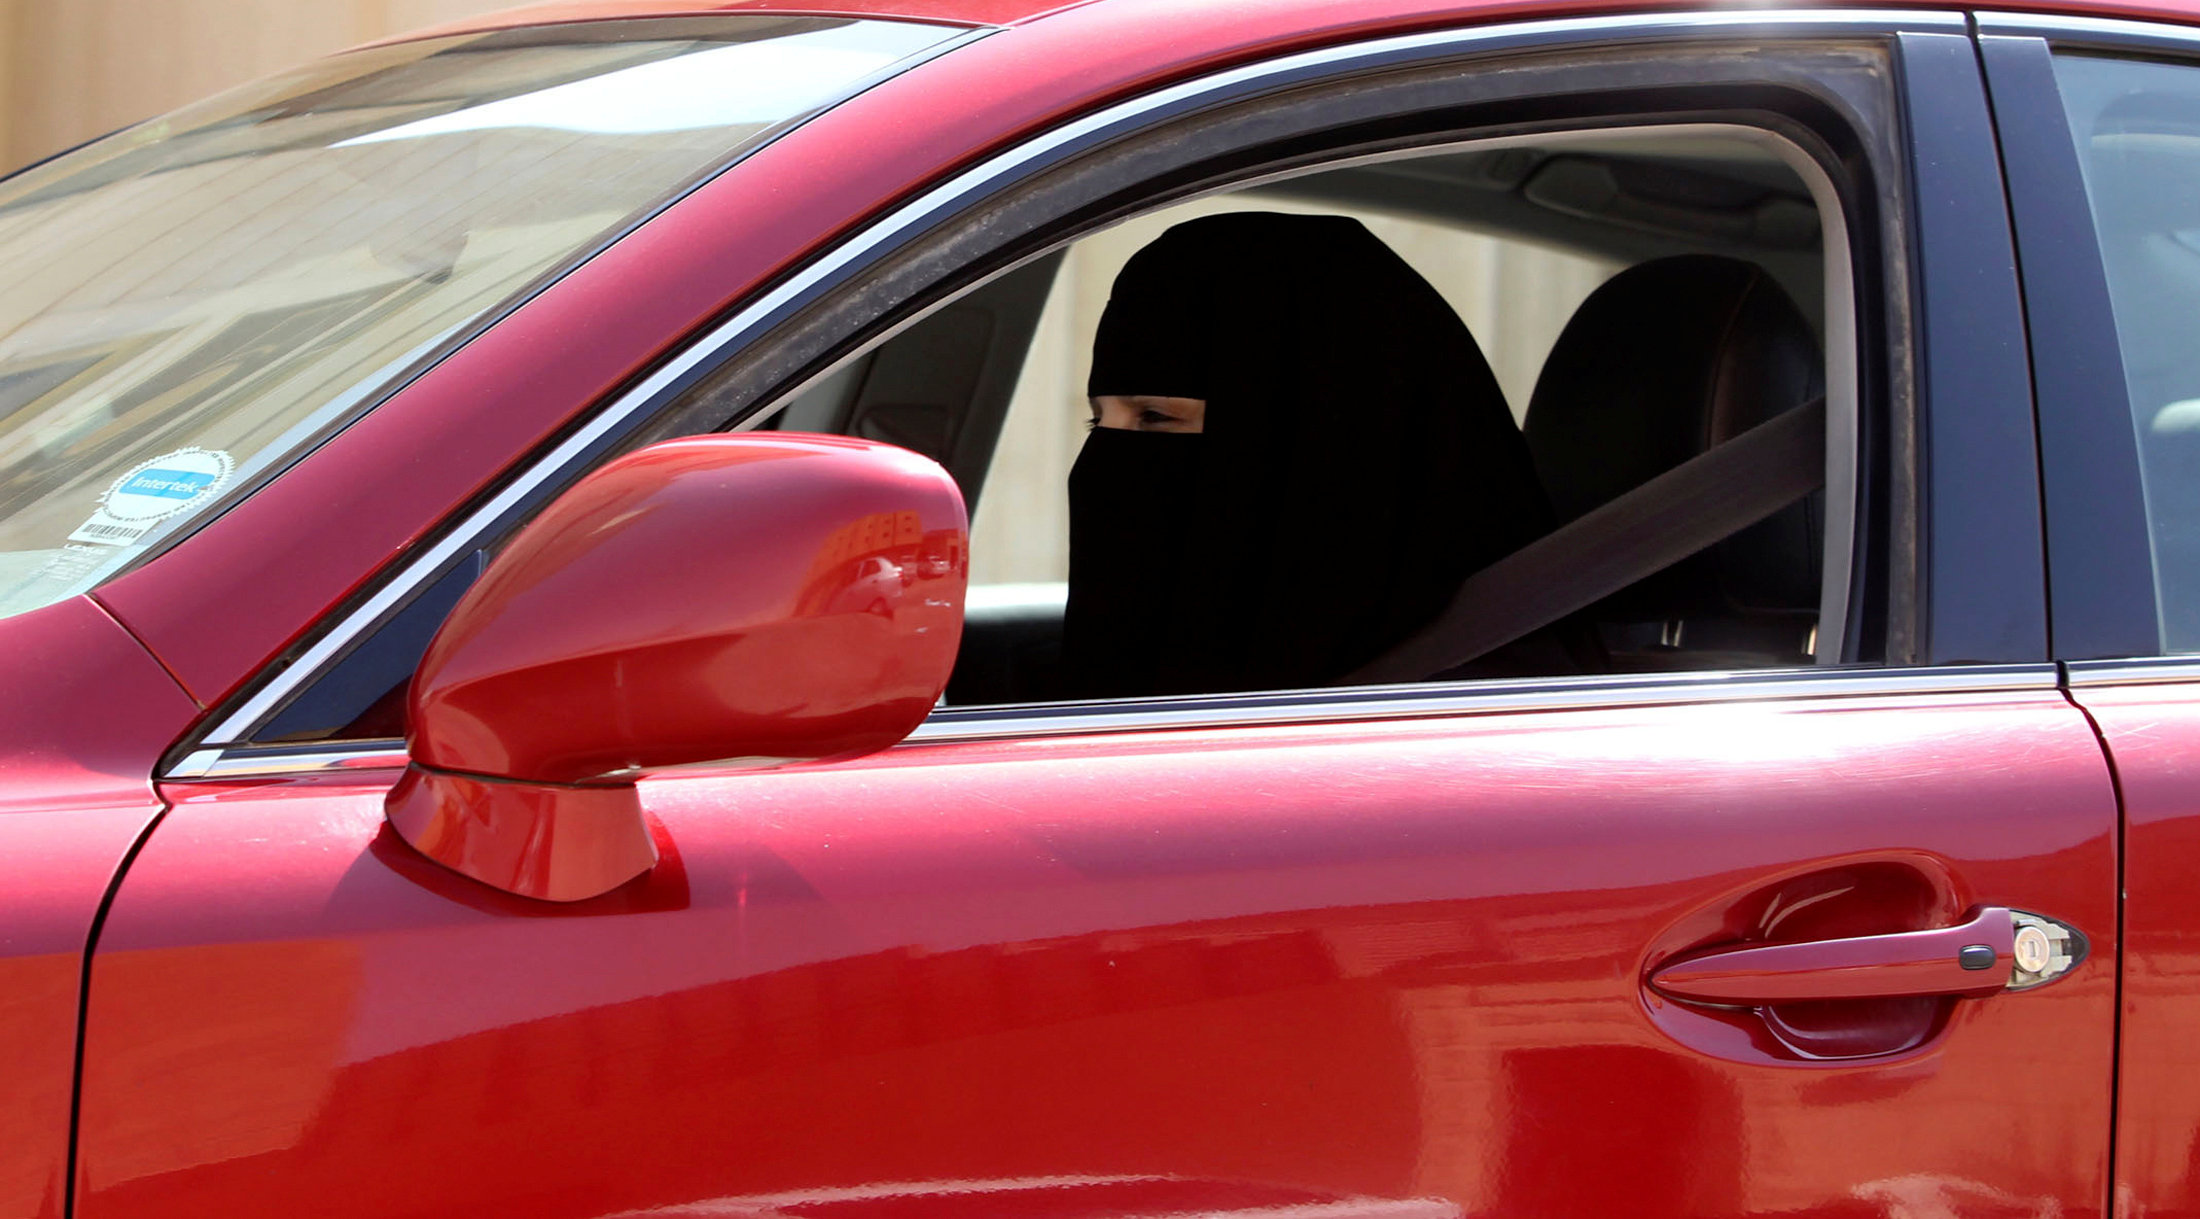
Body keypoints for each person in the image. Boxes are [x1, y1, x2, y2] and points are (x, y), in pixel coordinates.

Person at [1060, 211, 1560, 699]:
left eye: (1154, 418)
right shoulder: (1182, 656)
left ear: (1318, 436)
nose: (1103, 460)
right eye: (1096, 421)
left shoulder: (1471, 708)